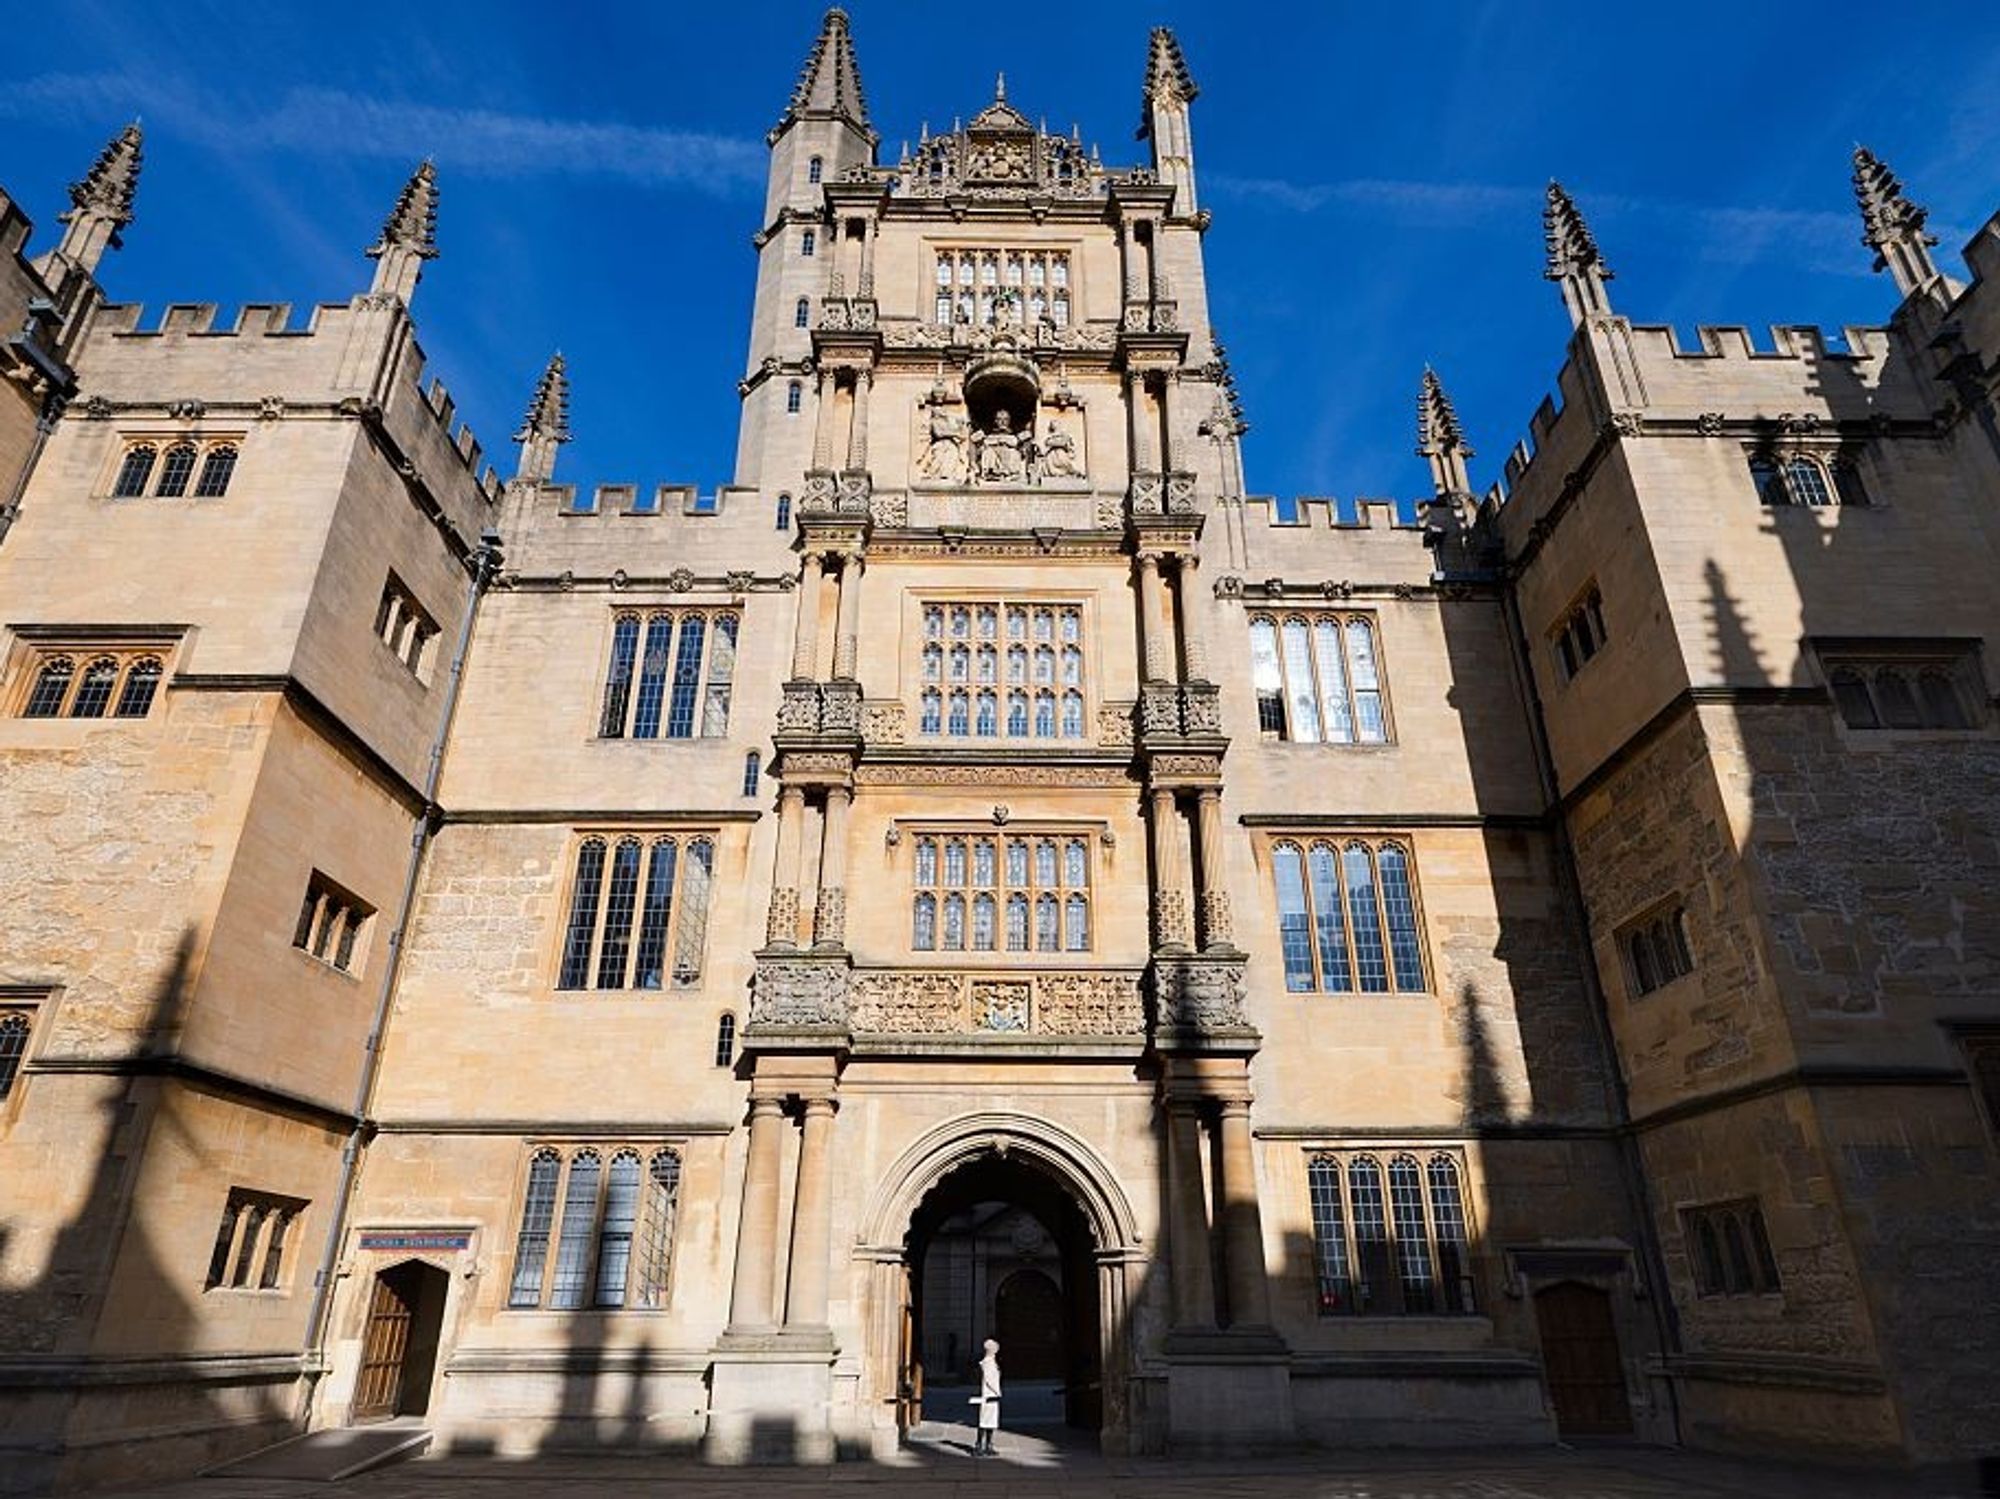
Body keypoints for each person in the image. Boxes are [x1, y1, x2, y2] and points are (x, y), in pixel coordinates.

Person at [972, 1337, 1001, 1455]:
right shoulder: (988, 1362)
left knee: (990, 1422)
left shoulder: (991, 1361)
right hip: (990, 1395)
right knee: (984, 1421)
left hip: (992, 1395)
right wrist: (997, 1391)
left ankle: (988, 1444)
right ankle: (979, 1445)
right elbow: (990, 1379)